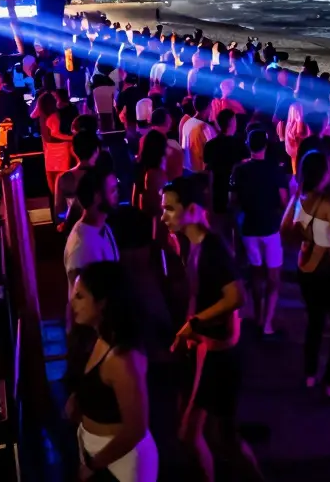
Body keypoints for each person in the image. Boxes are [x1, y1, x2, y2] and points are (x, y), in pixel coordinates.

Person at [162, 176, 262, 482]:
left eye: (170, 209)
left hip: (219, 357)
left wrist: (193, 324)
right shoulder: (192, 244)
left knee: (203, 435)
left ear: (192, 210)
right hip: (207, 352)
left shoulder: (212, 248)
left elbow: (236, 297)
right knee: (211, 435)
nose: (163, 216)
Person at [67, 262, 159, 482]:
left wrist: (94, 464)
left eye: (80, 296)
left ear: (102, 303)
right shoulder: (96, 336)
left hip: (122, 462)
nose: (71, 301)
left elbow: (135, 429)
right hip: (95, 451)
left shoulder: (122, 359)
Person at [281, 151, 330, 399]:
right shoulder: (328, 201)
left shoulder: (299, 196)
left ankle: (310, 375)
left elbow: (284, 230)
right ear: (324, 174)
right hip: (327, 269)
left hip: (305, 267)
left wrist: (308, 235)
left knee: (315, 321)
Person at [230, 130, 290, 337]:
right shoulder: (275, 170)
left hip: (248, 226)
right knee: (273, 275)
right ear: (266, 145)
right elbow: (284, 200)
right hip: (271, 226)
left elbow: (233, 200)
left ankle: (257, 316)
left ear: (248, 145)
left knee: (256, 273)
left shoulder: (239, 169)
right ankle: (267, 323)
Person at [64, 169, 121, 296]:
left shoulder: (103, 227)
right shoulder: (81, 246)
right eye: (112, 190)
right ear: (97, 197)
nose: (117, 194)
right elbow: (81, 298)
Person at [203, 109, 249, 239]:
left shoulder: (210, 145)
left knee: (220, 229)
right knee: (237, 228)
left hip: (217, 190)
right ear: (232, 122)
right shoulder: (239, 144)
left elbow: (208, 170)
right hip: (236, 191)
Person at [180, 95, 215, 173]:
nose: (212, 109)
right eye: (211, 106)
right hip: (201, 172)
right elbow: (214, 151)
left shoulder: (187, 123)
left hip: (187, 170)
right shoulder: (205, 127)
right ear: (207, 107)